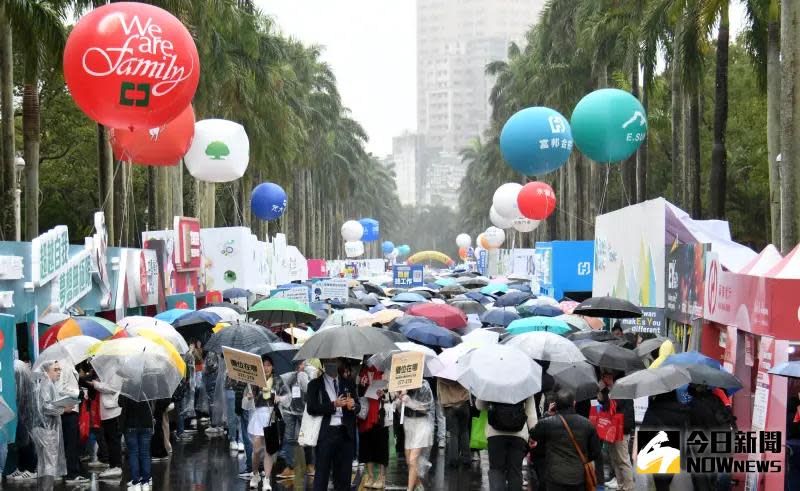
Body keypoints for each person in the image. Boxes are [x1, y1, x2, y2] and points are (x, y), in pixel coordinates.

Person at [530, 390, 601, 491]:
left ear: (555, 405)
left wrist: (547, 414)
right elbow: (596, 452)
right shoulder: (587, 424)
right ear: (574, 403)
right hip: (578, 476)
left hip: (554, 476)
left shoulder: (547, 423)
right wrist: (582, 459)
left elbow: (533, 434)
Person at [306, 357, 360, 491]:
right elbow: (311, 408)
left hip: (345, 433)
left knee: (344, 475)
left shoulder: (348, 383)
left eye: (335, 361)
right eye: (329, 361)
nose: (332, 364)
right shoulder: (314, 384)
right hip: (325, 433)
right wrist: (333, 405)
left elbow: (358, 405)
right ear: (323, 363)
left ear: (340, 363)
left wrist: (353, 406)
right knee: (322, 474)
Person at [475, 392, 537, 491]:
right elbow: (531, 413)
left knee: (496, 470)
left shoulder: (491, 382)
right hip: (519, 434)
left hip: (495, 434)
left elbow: (479, 406)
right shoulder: (525, 383)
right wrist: (534, 435)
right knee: (515, 471)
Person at [247, 354, 287, 490]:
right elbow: (248, 400)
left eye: (269, 365)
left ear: (272, 366)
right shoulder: (255, 380)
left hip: (272, 416)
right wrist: (249, 396)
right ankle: (255, 474)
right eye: (263, 365)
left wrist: (280, 398)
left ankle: (266, 479)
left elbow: (288, 396)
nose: (266, 367)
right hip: (258, 416)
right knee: (257, 449)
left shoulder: (277, 380)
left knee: (269, 450)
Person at [641, 390, 690, 491]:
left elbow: (644, 428)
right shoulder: (682, 409)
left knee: (660, 484)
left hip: (657, 449)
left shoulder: (654, 408)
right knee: (666, 482)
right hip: (675, 449)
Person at [31, 361, 69, 485]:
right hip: (47, 430)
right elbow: (46, 407)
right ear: (47, 371)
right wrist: (64, 409)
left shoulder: (44, 383)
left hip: (42, 428)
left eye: (60, 369)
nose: (59, 372)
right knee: (49, 464)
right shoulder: (47, 384)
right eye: (56, 369)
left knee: (43, 464)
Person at [597, 370, 634, 491]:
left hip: (621, 428)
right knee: (614, 459)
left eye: (607, 377)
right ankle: (621, 486)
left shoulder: (621, 388)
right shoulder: (611, 389)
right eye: (604, 377)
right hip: (612, 427)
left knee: (623, 460)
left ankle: (628, 487)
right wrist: (602, 390)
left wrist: (605, 390)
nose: (605, 379)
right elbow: (603, 402)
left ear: (613, 377)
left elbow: (611, 406)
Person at [397, 379, 435, 491]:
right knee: (409, 461)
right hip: (409, 424)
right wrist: (400, 398)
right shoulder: (403, 383)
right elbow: (398, 409)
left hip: (422, 424)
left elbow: (428, 407)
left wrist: (411, 403)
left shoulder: (424, 385)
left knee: (413, 459)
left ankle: (409, 489)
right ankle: (418, 483)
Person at [357, 364, 391, 489]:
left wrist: (385, 394)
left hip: (380, 414)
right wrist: (360, 384)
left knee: (381, 446)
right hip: (365, 413)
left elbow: (393, 394)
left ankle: (382, 478)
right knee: (366, 446)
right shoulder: (362, 372)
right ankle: (370, 476)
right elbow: (358, 393)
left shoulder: (385, 371)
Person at [277, 360, 311, 481]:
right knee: (289, 437)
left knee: (307, 437)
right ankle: (290, 466)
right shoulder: (288, 375)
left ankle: (310, 465)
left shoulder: (309, 373)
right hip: (289, 410)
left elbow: (308, 390)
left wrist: (303, 376)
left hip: (304, 410)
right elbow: (283, 390)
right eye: (299, 364)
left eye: (303, 363)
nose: (301, 366)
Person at [56, 360, 89, 485]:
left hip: (71, 408)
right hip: (68, 409)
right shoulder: (64, 364)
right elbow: (61, 387)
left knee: (73, 442)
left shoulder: (69, 364)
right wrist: (78, 393)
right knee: (71, 444)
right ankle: (72, 473)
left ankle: (76, 470)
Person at [91, 373, 124, 480]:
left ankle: (116, 466)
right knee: (109, 439)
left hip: (112, 410)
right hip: (107, 410)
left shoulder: (115, 371)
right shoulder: (108, 370)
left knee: (113, 439)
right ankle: (113, 465)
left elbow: (112, 388)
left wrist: (96, 384)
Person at [438, 377, 471, 468]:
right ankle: (466, 458)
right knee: (465, 431)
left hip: (449, 406)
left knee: (453, 433)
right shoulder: (462, 371)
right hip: (464, 403)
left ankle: (453, 460)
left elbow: (439, 393)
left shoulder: (442, 374)